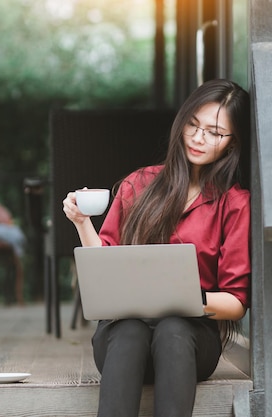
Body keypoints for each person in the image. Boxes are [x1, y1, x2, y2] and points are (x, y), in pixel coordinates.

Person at [62, 79, 251, 417]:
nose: (197, 137)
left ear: (232, 143)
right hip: (123, 337)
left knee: (174, 326)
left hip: (190, 343)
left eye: (214, 132)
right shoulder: (140, 183)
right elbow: (103, 265)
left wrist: (180, 299)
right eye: (192, 124)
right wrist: (81, 222)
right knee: (131, 329)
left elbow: (235, 302)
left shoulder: (235, 204)